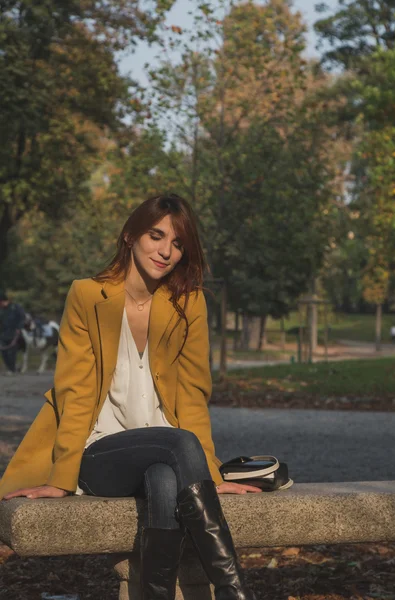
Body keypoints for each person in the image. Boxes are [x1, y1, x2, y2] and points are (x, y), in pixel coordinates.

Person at [0, 194, 262, 600]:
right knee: (179, 441)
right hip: (99, 454)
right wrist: (61, 477)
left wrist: (205, 470)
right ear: (130, 235)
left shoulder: (188, 303)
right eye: (156, 236)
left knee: (162, 477)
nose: (166, 251)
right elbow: (75, 389)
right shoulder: (87, 296)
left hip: (166, 456)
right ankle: (234, 592)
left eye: (177, 244)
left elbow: (192, 392)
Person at [0, 290, 25, 375]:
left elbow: (22, 318)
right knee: (3, 352)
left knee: (12, 352)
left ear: (4, 301)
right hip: (3, 333)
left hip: (14, 333)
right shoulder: (1, 309)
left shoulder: (15, 307)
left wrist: (19, 328)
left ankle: (12, 369)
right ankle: (9, 368)